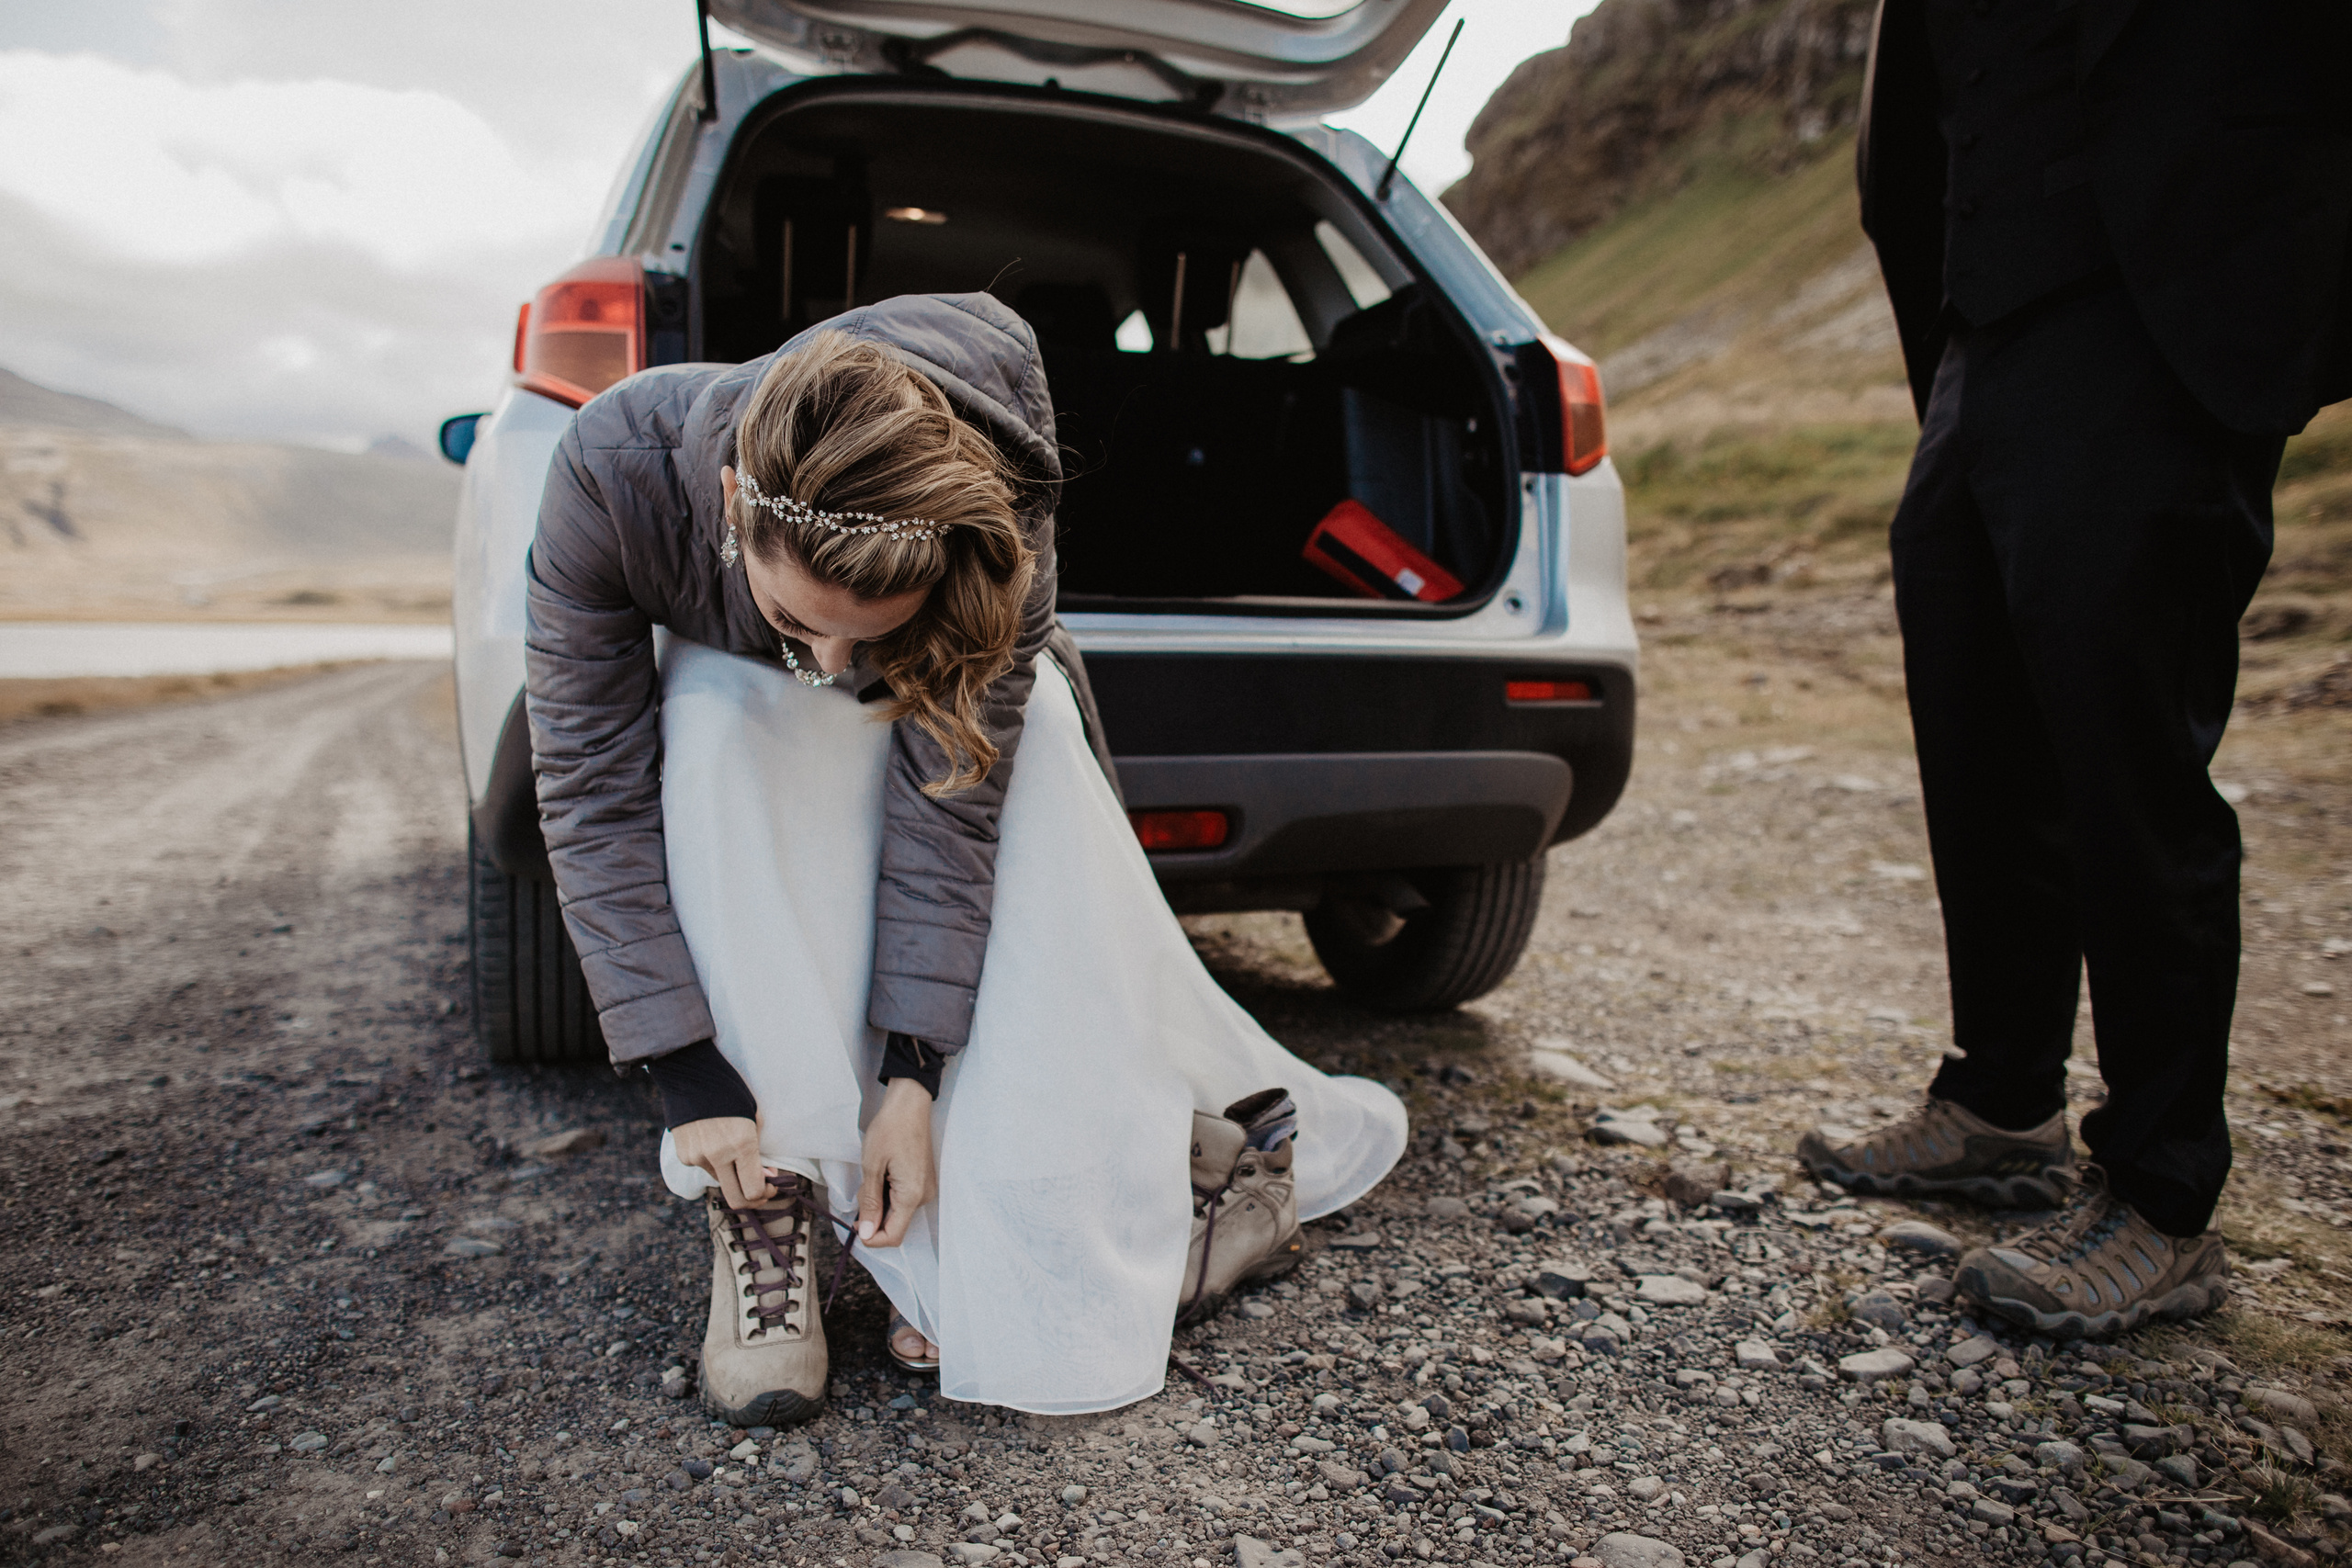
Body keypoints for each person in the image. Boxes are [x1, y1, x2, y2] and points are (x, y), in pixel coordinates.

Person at [523, 293, 1406, 1422]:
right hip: (728, 731)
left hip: (955, 735)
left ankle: (1123, 1160)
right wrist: (682, 1066)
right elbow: (590, 787)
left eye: (869, 629)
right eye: (797, 620)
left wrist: (912, 1073)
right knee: (706, 714)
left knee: (1007, 806)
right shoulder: (614, 471)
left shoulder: (994, 533)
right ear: (735, 502)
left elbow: (949, 819)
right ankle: (764, 1200)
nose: (828, 663)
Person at [1798, 0, 2351, 1337]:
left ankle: (2161, 1193)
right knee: (1974, 722)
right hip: (1981, 325)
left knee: (2125, 746)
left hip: (2166, 302)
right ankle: (2002, 1099)